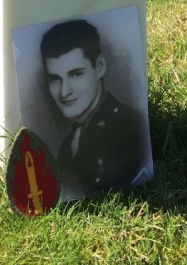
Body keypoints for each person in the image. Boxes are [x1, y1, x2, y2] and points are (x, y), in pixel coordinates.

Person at [39, 18, 151, 198]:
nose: (64, 92)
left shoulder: (131, 128)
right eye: (55, 79)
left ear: (99, 67)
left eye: (76, 74)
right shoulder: (69, 144)